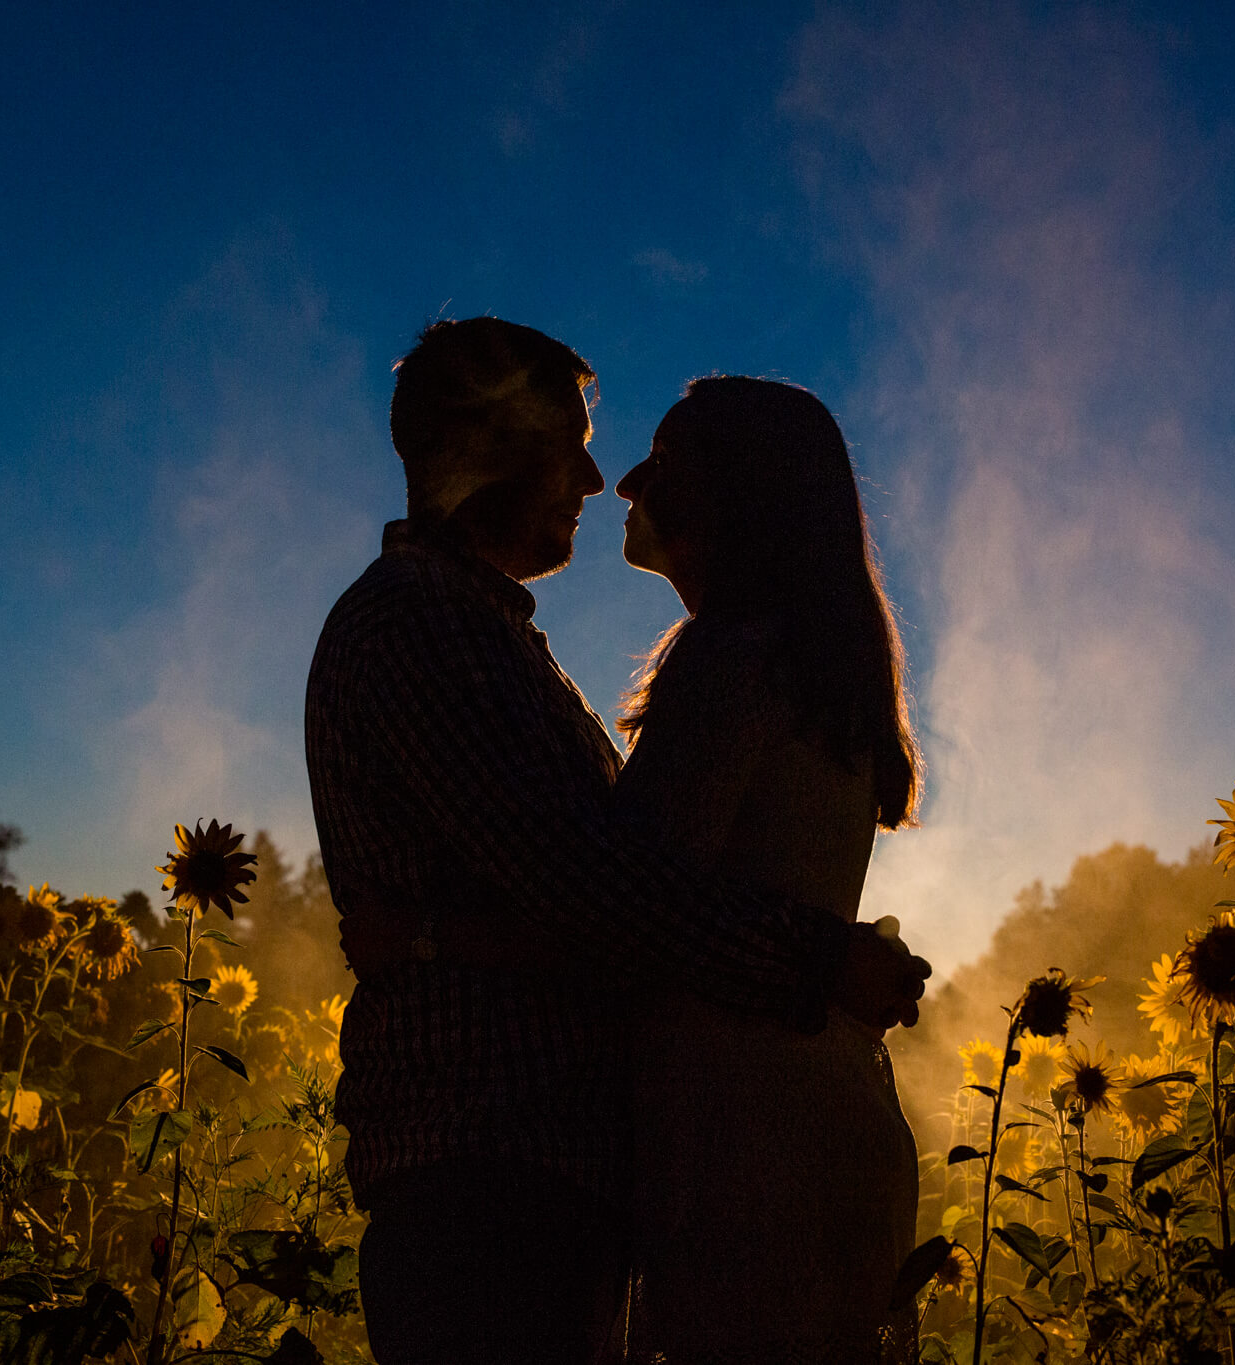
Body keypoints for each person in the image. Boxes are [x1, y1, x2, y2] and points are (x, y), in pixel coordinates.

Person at [303, 319, 930, 1365]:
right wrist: (823, 960)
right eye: (567, 442)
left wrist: (427, 937)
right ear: (484, 451)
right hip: (485, 1169)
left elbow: (611, 890)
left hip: (570, 1171)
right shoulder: (418, 625)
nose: (600, 479)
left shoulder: (502, 636)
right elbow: (604, 896)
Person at [613, 376, 923, 1363]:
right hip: (826, 1109)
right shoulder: (814, 667)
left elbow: (633, 900)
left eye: (661, 462)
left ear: (730, 494)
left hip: (739, 1145)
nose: (624, 482)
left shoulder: (729, 659)